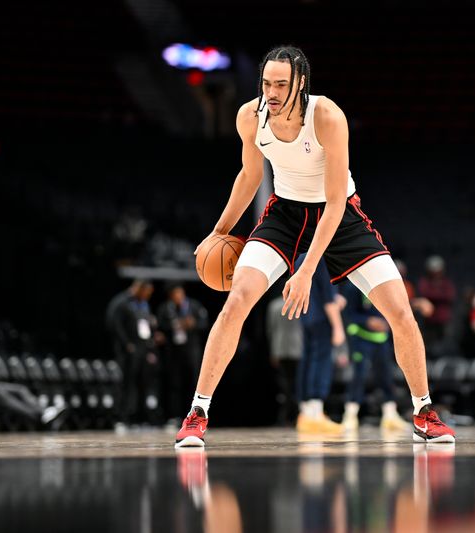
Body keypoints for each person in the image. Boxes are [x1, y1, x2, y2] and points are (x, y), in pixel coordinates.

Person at [175, 45, 455, 448]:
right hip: (284, 215)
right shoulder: (249, 116)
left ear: (301, 84)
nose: (271, 92)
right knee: (237, 301)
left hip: (338, 215)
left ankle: (424, 412)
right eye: (266, 83)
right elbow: (250, 175)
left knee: (400, 310)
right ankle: (197, 413)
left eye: (281, 84)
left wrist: (306, 270)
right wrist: (218, 232)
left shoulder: (326, 116)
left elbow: (337, 201)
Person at [339, 280, 410, 432]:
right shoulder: (353, 286)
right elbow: (348, 314)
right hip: (360, 337)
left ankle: (390, 415)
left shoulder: (383, 285)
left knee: (386, 375)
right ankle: (350, 416)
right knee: (359, 375)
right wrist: (367, 320)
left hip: (381, 339)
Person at [294, 256, 346, 434]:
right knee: (321, 361)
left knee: (307, 361)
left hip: (306, 315)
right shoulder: (321, 258)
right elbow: (328, 298)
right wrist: (338, 327)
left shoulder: (299, 258)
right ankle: (316, 413)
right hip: (322, 319)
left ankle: (306, 413)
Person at [106, 279, 157, 425]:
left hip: (143, 349)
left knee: (143, 383)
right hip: (128, 350)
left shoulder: (143, 304)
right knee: (126, 383)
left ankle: (139, 417)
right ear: (139, 288)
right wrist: (126, 344)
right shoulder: (122, 302)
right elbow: (114, 324)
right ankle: (121, 417)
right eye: (146, 292)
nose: (148, 296)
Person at [157, 284, 208, 421]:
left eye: (179, 294)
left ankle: (195, 415)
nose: (177, 297)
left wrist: (193, 324)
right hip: (174, 352)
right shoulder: (165, 308)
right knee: (175, 383)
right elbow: (160, 326)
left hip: (192, 350)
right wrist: (173, 326)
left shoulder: (194, 306)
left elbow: (204, 323)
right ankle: (175, 416)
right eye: (174, 295)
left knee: (194, 382)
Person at [266, 291, 303, 425]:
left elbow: (270, 330)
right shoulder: (300, 302)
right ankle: (296, 414)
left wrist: (273, 352)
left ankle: (286, 416)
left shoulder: (273, 305)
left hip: (280, 348)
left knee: (285, 383)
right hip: (298, 347)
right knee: (297, 382)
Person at [416, 256, 455, 346]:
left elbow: (449, 296)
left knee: (446, 343)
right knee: (429, 344)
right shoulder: (425, 281)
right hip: (429, 321)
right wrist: (439, 295)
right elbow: (424, 293)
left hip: (444, 320)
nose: (436, 273)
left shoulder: (446, 282)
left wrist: (434, 296)